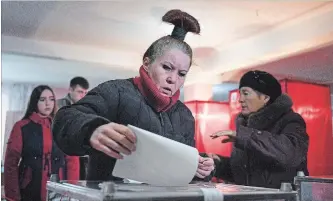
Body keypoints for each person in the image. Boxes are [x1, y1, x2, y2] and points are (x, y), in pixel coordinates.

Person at [52, 9, 215, 183]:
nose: (173, 79)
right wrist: (92, 129)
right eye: (167, 67)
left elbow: (185, 163)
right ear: (147, 63)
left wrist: (201, 167)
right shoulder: (116, 91)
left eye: (182, 74)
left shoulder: (185, 116)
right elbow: (65, 118)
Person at [210, 70, 309, 188]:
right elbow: (244, 173)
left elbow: (289, 154)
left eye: (246, 93)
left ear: (265, 98)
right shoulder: (245, 128)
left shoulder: (291, 120)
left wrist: (245, 137)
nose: (240, 99)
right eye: (240, 94)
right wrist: (216, 164)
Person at [4, 85, 79, 201]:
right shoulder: (21, 127)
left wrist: (71, 192)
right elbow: (10, 164)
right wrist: (13, 196)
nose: (48, 103)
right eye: (43, 100)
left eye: (51, 99)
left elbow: (72, 161)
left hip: (58, 190)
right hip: (29, 189)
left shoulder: (62, 127)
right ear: (35, 102)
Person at [57, 76, 89, 180]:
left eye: (85, 93)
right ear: (71, 90)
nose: (83, 95)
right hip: (61, 155)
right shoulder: (58, 106)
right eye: (80, 92)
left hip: (81, 156)